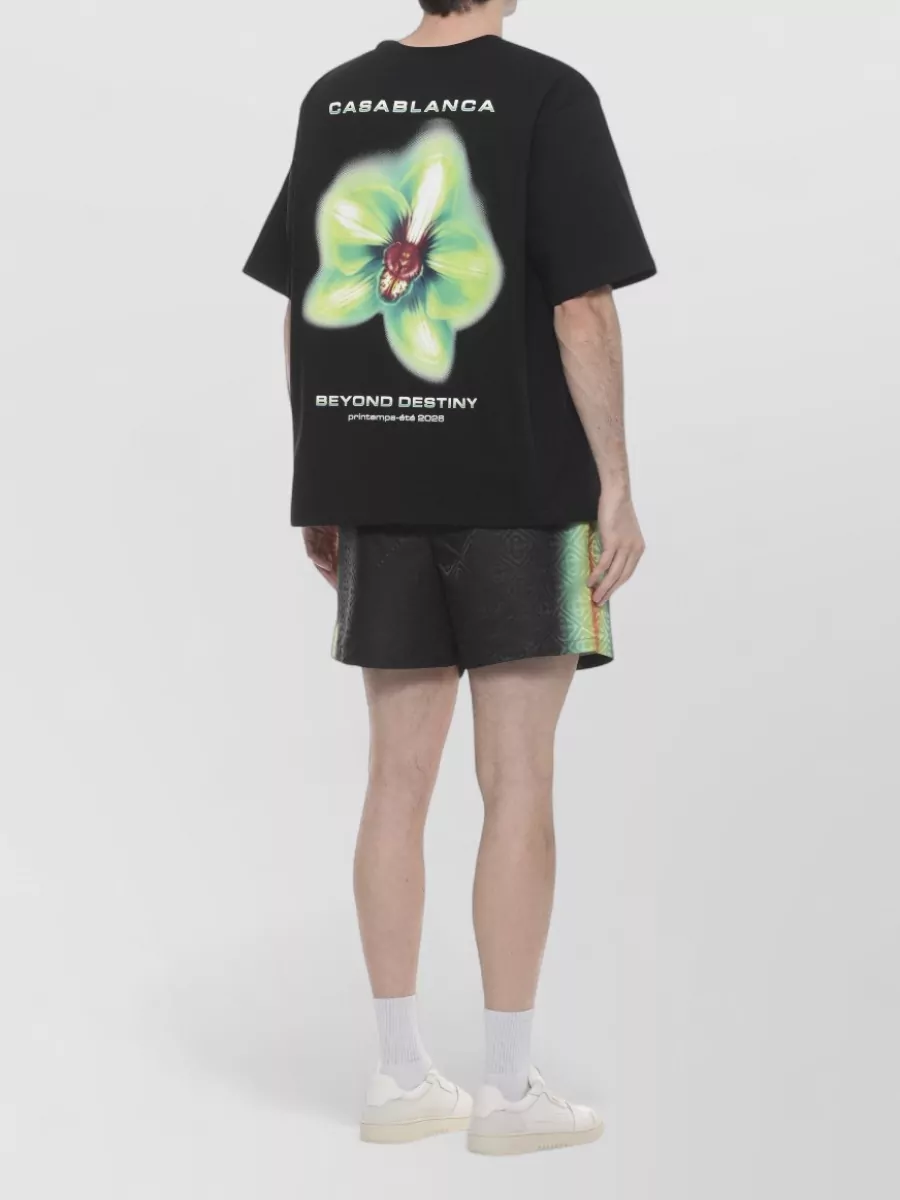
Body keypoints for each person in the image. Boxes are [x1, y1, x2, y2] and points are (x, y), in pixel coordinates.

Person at [243, 0, 655, 1157]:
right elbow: (582, 307)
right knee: (518, 781)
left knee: (396, 781)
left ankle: (397, 1078)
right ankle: (508, 1094)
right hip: (524, 491)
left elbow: (308, 302)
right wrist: (617, 482)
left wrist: (322, 476)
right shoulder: (548, 94)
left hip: (377, 485)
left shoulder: (335, 98)